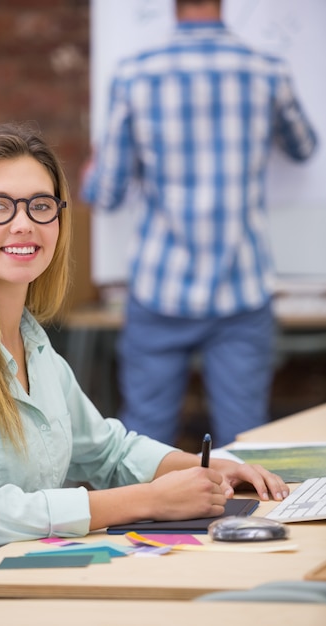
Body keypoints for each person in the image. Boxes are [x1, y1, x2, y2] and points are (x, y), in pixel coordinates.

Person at [0, 122, 289, 597]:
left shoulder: (36, 346)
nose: (24, 222)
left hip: (21, 579)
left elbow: (108, 451)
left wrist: (203, 466)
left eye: (41, 205)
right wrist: (146, 500)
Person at [80, 0, 318, 448]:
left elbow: (106, 194)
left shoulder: (134, 73)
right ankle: (247, 520)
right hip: (241, 285)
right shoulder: (266, 70)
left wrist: (92, 172)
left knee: (145, 444)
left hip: (158, 286)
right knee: (245, 443)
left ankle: (149, 518)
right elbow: (304, 147)